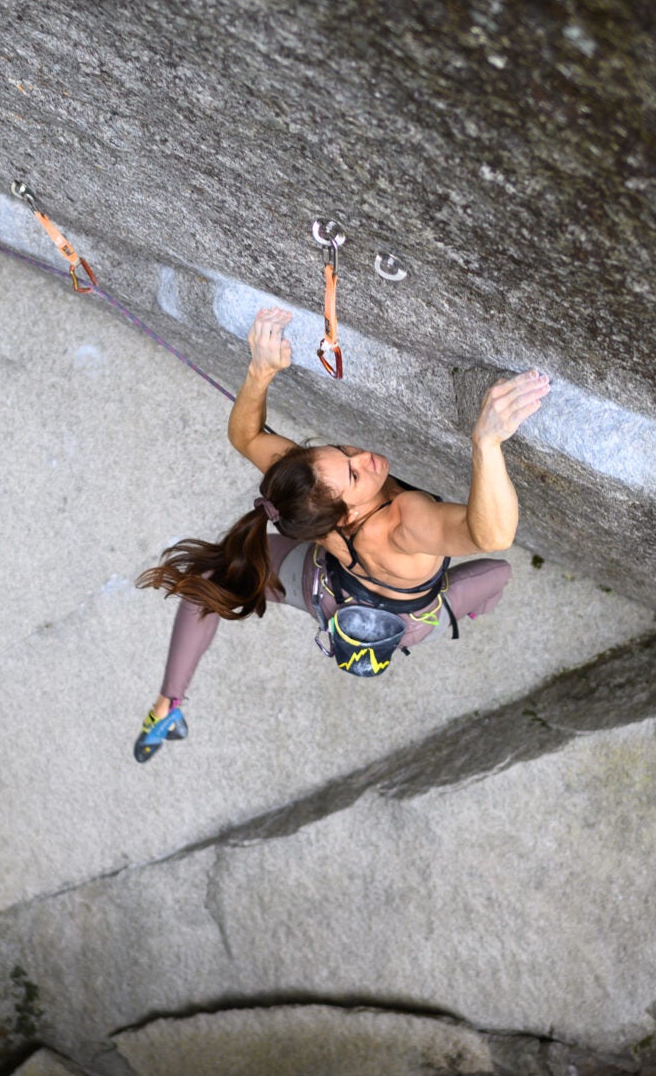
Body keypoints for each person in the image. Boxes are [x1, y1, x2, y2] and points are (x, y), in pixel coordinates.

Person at [133, 306, 551, 759]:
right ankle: (471, 611)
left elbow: (246, 438)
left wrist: (260, 371)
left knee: (214, 579)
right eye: (354, 475)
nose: (365, 458)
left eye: (342, 451)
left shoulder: (309, 498)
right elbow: (491, 535)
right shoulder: (402, 523)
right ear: (345, 518)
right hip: (397, 618)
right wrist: (486, 444)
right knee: (498, 573)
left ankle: (166, 706)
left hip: (322, 585)